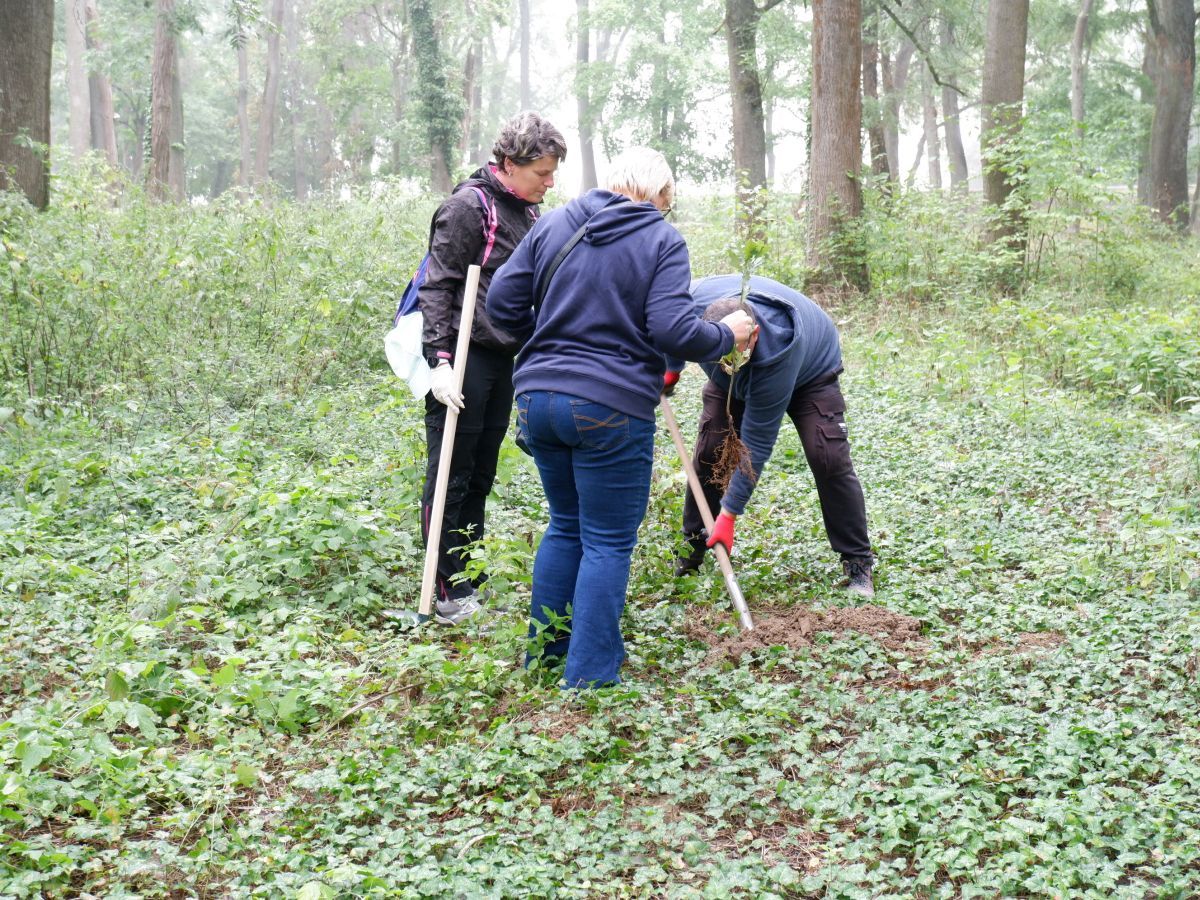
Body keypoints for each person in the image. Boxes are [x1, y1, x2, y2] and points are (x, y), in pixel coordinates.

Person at [487, 148, 756, 688]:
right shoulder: (660, 239)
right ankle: (589, 677)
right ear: (659, 193)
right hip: (609, 409)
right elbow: (673, 330)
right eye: (668, 200)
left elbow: (500, 304)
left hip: (538, 399)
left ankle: (545, 657)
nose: (667, 209)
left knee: (565, 526)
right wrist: (726, 335)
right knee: (607, 540)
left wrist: (554, 343)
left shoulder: (554, 223)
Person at [418, 111, 567, 626]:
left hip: (505, 357)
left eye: (552, 173)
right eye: (541, 173)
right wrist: (439, 362)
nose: (549, 184)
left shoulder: (529, 212)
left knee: (481, 474)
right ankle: (444, 590)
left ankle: (469, 578)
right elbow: (437, 285)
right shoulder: (466, 208)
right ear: (509, 163)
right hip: (464, 356)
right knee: (451, 474)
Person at [669, 274, 875, 596]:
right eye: (721, 354)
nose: (730, 364)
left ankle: (858, 561)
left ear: (754, 335)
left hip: (810, 371)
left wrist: (729, 515)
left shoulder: (777, 352)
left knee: (827, 456)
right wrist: (671, 368)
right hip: (737, 374)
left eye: (736, 354)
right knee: (711, 451)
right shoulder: (688, 308)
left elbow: (756, 443)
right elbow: (668, 332)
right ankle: (691, 551)